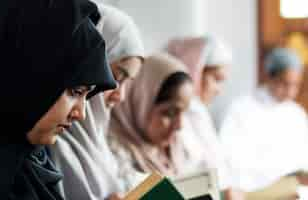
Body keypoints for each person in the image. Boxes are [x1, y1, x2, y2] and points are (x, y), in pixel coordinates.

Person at [0, 0, 116, 199]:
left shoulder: (28, 160)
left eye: (87, 95)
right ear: (28, 75)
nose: (81, 114)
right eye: (75, 92)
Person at [51, 4, 145, 200]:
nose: (121, 96)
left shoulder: (102, 143)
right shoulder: (50, 144)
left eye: (128, 84)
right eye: (116, 78)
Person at [219, 47, 308, 199]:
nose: (290, 92)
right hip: (253, 192)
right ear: (269, 76)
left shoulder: (297, 113)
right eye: (285, 83)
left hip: (295, 189)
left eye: (295, 85)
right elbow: (226, 157)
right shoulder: (241, 108)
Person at [167, 37, 245, 200]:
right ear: (195, 70)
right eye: (216, 79)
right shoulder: (172, 118)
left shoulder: (199, 113)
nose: (219, 90)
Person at [108, 52, 194, 179]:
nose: (179, 125)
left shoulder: (175, 149)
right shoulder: (115, 156)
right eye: (170, 113)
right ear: (140, 102)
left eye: (184, 112)